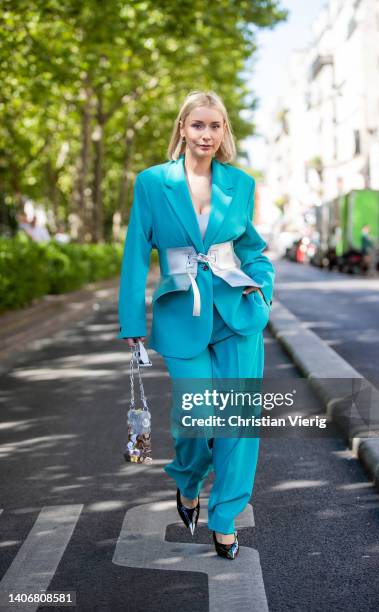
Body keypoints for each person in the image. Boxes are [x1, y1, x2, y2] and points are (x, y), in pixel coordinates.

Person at [117, 90, 275, 560]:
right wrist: (132, 319)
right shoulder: (151, 183)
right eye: (198, 125)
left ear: (225, 132)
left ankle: (224, 518)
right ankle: (187, 481)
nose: (207, 134)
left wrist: (262, 288)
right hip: (179, 313)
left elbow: (253, 249)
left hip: (237, 312)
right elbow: (133, 255)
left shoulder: (241, 183)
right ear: (182, 128)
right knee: (197, 416)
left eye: (215, 126)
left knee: (238, 423)